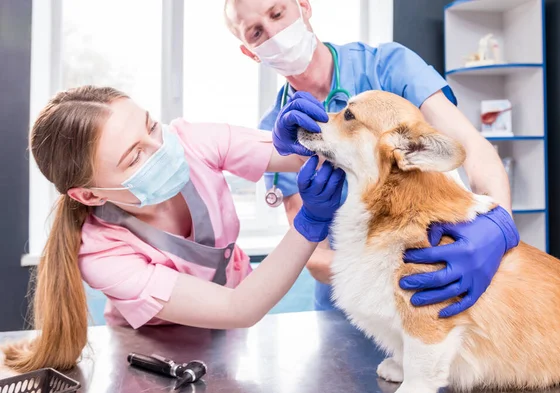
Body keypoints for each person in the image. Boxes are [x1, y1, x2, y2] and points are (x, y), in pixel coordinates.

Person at [3, 85, 345, 372]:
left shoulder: (191, 140)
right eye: (134, 157)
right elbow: (238, 308)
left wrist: (305, 139)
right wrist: (308, 225)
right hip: (153, 352)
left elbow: (310, 156)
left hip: (231, 338)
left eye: (151, 127)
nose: (161, 148)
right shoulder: (101, 253)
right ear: (89, 194)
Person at [224, 0, 520, 315]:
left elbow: (471, 148)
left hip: (441, 287)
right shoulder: (279, 131)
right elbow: (313, 254)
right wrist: (406, 275)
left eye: (277, 13)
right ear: (250, 52)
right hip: (352, 309)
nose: (274, 32)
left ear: (304, 6)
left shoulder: (386, 67)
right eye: (256, 33)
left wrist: (499, 225)